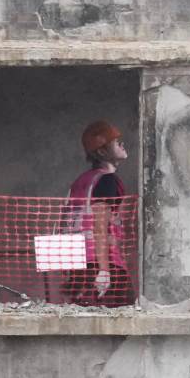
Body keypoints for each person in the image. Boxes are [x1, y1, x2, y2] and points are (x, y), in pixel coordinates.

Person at [65, 119, 134, 306]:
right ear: (103, 152)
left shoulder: (81, 182)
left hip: (77, 263)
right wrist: (104, 271)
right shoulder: (107, 181)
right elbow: (99, 227)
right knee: (125, 312)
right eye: (116, 142)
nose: (122, 144)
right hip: (103, 262)